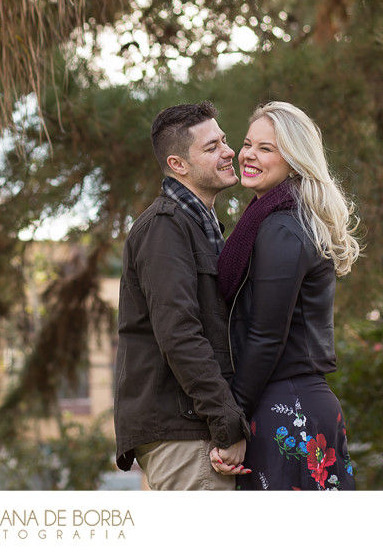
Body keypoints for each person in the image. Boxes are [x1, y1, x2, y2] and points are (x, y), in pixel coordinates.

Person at [211, 101, 360, 490]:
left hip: (287, 407)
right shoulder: (275, 218)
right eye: (248, 144)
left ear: (293, 160)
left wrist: (232, 425)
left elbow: (266, 335)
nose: (249, 155)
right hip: (286, 401)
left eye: (266, 148)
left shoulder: (281, 227)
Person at [114, 100, 251, 491]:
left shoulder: (201, 227)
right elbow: (179, 334)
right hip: (185, 431)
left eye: (224, 141)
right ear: (178, 165)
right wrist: (226, 423)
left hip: (195, 426)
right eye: (211, 147)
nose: (229, 152)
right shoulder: (164, 228)